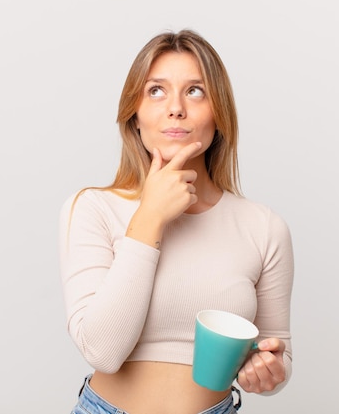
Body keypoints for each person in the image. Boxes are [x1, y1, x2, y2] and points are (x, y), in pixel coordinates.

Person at [59, 29, 294, 414]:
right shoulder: (92, 209)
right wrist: (150, 216)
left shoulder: (264, 227)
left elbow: (278, 354)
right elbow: (102, 351)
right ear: (134, 115)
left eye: (195, 91)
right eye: (156, 90)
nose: (176, 108)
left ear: (219, 114)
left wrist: (267, 370)